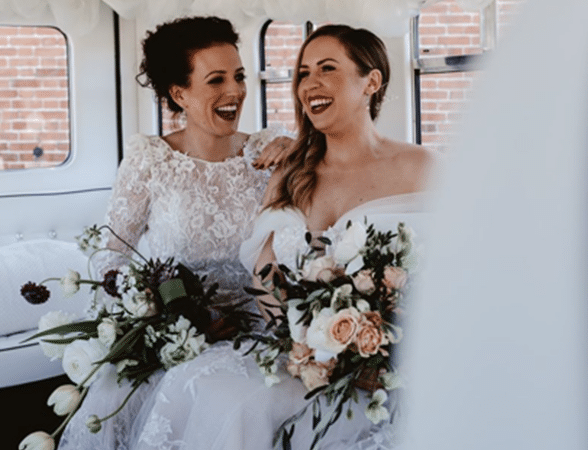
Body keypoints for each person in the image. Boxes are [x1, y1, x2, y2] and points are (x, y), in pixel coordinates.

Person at [130, 24, 437, 450]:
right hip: (296, 354)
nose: (310, 83)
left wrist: (384, 349)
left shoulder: (426, 167)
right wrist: (306, 346)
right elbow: (266, 278)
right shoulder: (290, 173)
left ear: (372, 81)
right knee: (217, 395)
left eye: (326, 68)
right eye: (303, 72)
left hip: (398, 360)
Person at [57, 16, 291, 450]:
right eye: (216, 79)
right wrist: (166, 318)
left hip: (264, 333)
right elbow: (111, 258)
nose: (235, 91)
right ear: (179, 94)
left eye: (239, 76)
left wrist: (305, 153)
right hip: (181, 340)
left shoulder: (270, 151)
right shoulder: (151, 160)